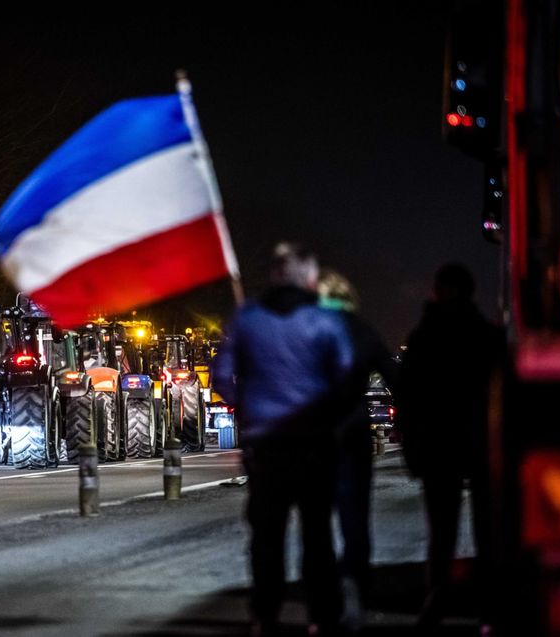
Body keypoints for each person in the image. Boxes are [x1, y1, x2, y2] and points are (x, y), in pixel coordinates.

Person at [212, 242, 354, 637]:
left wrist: (248, 405)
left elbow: (221, 376)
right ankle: (323, 616)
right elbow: (346, 378)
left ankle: (265, 615)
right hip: (314, 444)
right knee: (318, 535)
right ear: (310, 278)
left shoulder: (247, 319)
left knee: (266, 535)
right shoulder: (326, 322)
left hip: (265, 446)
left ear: (274, 275)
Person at [394, 263, 503, 633]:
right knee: (487, 531)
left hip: (438, 448)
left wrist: (412, 449)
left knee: (441, 532)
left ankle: (437, 599)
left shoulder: (423, 338)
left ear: (437, 291)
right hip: (481, 445)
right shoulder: (489, 337)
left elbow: (406, 401)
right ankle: (489, 607)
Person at [318, 270, 400, 633]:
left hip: (314, 437)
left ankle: (322, 600)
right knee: (355, 519)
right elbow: (396, 377)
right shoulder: (362, 331)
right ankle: (357, 587)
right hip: (353, 436)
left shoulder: (308, 332)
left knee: (316, 521)